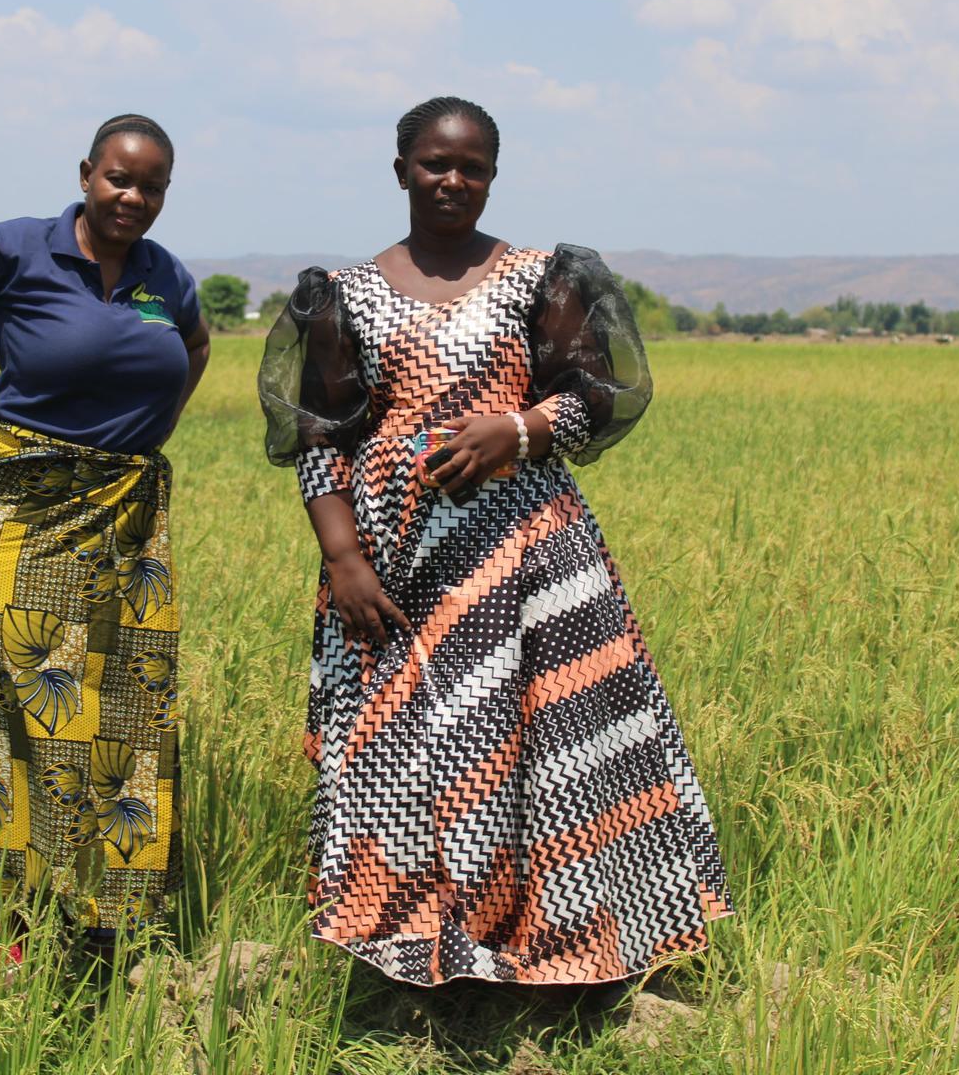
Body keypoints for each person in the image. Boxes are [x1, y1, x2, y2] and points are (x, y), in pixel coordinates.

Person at [257, 96, 732, 987]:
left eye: (472, 167)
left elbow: (601, 392)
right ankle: (402, 948)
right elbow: (319, 435)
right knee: (399, 742)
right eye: (436, 164)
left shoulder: (541, 277)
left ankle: (563, 944)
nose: (453, 181)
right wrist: (344, 560)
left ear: (493, 177)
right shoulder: (345, 296)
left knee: (548, 741)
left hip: (529, 555)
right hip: (394, 566)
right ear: (400, 170)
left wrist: (516, 431)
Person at [0, 114, 210, 957]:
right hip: (18, 512)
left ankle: (110, 922)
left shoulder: (168, 279)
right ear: (87, 173)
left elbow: (195, 349)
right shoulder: (16, 249)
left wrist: (146, 429)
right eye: (119, 179)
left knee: (130, 713)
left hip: (126, 518)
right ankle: (27, 917)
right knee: (35, 710)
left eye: (153, 187)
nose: (133, 198)